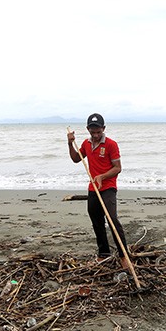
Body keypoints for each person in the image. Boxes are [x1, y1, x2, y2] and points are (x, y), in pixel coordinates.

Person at [67, 113, 129, 266]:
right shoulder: (86, 144)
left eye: (98, 132)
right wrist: (69, 143)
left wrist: (102, 176)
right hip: (93, 188)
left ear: (103, 128)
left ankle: (124, 256)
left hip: (108, 187)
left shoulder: (111, 144)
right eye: (92, 132)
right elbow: (76, 159)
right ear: (88, 129)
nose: (95, 135)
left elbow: (117, 168)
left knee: (112, 220)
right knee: (96, 221)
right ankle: (104, 253)